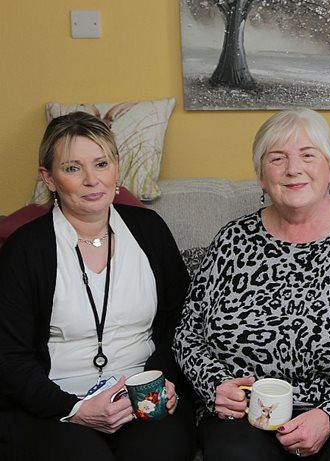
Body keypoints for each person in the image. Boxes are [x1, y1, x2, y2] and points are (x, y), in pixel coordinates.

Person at [173, 108, 330, 461]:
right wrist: (215, 387)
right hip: (250, 411)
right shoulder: (232, 241)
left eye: (308, 155)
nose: (292, 169)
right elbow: (187, 334)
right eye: (277, 158)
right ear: (260, 175)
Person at [0, 112, 195, 460]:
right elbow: (9, 357)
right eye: (73, 168)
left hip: (144, 396)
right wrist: (76, 410)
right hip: (57, 406)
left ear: (116, 168)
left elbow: (182, 322)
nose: (92, 180)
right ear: (49, 178)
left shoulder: (149, 230)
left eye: (101, 163)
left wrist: (164, 381)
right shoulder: (25, 249)